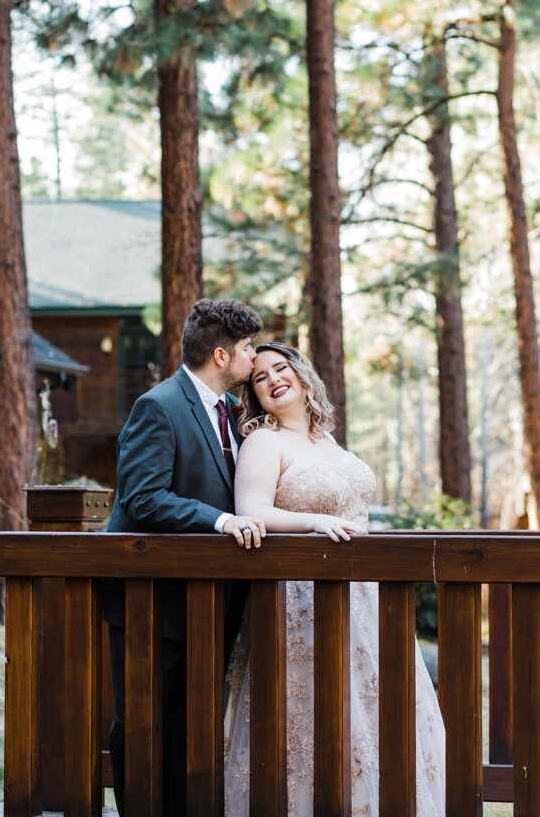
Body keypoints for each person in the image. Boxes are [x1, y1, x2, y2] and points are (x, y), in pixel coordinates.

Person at [224, 342, 446, 817]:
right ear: (255, 394)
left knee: (378, 714)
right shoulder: (264, 441)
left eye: (281, 369)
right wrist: (312, 523)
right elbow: (252, 511)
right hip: (302, 598)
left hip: (365, 600)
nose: (272, 380)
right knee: (315, 717)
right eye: (260, 377)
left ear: (302, 376)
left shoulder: (327, 441)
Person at [102, 298, 266, 817]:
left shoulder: (234, 413)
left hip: (208, 601)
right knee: (143, 722)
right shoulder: (160, 405)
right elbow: (142, 497)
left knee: (188, 724)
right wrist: (221, 522)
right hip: (150, 601)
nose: (254, 357)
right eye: (247, 349)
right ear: (221, 356)